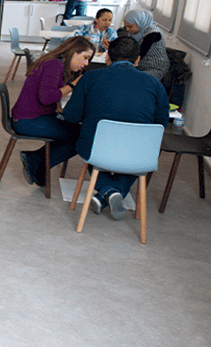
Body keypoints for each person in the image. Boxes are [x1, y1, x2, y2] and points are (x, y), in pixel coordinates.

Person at [62, 36, 170, 219]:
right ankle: (115, 190)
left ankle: (108, 191)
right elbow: (161, 123)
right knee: (148, 150)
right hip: (138, 155)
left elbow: (71, 116)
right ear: (138, 60)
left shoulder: (90, 78)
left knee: (89, 140)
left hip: (98, 149)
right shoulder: (155, 84)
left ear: (107, 57)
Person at [13, 37, 95, 187]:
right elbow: (46, 98)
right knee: (82, 136)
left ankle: (37, 162)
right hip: (27, 120)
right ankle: (37, 161)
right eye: (85, 57)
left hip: (32, 117)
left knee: (76, 131)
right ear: (73, 52)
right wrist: (73, 85)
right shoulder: (54, 64)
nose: (86, 63)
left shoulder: (55, 62)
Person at [119, 9, 169, 81]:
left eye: (130, 26)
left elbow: (140, 54)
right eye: (126, 26)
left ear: (139, 23)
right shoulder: (138, 29)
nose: (127, 29)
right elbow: (121, 32)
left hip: (156, 68)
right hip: (141, 67)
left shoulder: (153, 34)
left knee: (131, 80)